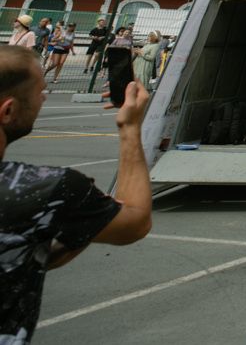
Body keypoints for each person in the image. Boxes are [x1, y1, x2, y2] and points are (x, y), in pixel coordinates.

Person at [1, 46, 154, 341]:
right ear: (8, 110)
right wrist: (130, 128)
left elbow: (29, 253)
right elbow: (135, 222)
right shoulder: (45, 189)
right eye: (39, 92)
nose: (43, 99)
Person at [102, 26, 135, 110]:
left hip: (124, 58)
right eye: (125, 32)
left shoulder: (129, 41)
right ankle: (108, 82)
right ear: (123, 33)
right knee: (114, 71)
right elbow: (111, 47)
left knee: (121, 73)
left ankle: (119, 87)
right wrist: (107, 56)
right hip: (116, 57)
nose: (127, 33)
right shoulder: (117, 39)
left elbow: (131, 49)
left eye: (128, 32)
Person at [44, 22, 75, 87]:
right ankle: (46, 71)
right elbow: (52, 39)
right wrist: (58, 39)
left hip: (66, 49)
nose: (70, 27)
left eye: (72, 26)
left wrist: (73, 51)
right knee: (55, 63)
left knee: (61, 63)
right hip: (58, 48)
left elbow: (71, 43)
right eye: (69, 26)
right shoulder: (62, 31)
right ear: (68, 26)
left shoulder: (73, 34)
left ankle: (55, 78)